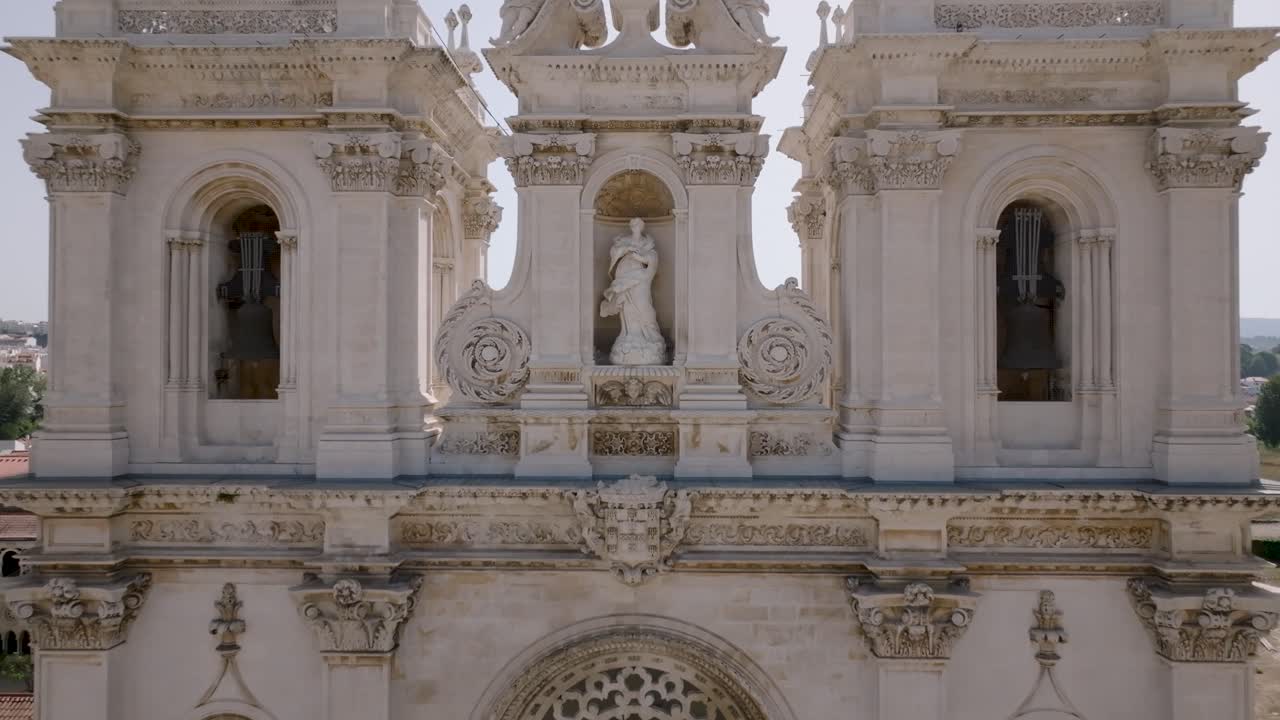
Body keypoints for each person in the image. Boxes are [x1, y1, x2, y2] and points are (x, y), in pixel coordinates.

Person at [601, 219, 667, 366]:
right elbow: (615, 253)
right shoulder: (624, 240)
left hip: (641, 277)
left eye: (637, 224)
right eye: (633, 224)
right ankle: (630, 334)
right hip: (624, 273)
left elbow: (652, 258)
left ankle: (650, 336)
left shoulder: (647, 242)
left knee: (643, 304)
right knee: (626, 305)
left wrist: (640, 256)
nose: (635, 226)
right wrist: (626, 248)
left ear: (642, 226)